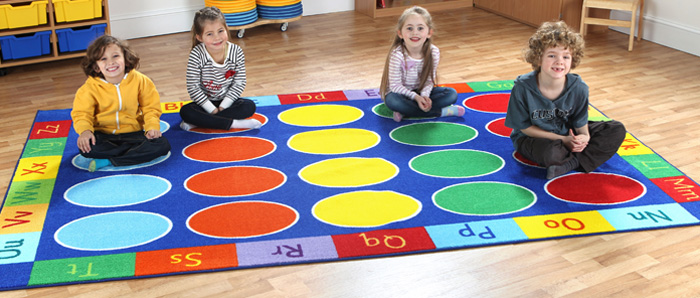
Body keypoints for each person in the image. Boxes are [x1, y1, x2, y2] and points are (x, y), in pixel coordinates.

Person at [504, 21, 626, 179]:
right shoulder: (522, 87)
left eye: (566, 56)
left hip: (567, 133)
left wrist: (584, 138)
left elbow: (580, 123)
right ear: (539, 58)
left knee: (616, 129)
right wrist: (563, 140)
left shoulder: (579, 88)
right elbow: (525, 128)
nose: (559, 61)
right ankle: (578, 159)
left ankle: (570, 163)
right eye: (552, 55)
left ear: (572, 60)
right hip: (533, 138)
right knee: (551, 153)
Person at [71, 35, 171, 172]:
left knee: (162, 145)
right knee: (87, 148)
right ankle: (130, 154)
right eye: (103, 59)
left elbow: (151, 107)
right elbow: (82, 114)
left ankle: (110, 160)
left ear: (125, 58)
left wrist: (152, 126)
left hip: (133, 133)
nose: (111, 62)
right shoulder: (88, 88)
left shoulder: (141, 81)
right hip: (103, 135)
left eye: (115, 56)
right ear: (96, 66)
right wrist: (85, 131)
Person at [179, 6, 261, 131]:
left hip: (228, 102)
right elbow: (193, 87)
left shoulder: (236, 51)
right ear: (200, 37)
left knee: (249, 106)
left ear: (226, 29)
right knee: (186, 112)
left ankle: (201, 122)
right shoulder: (197, 54)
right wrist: (211, 109)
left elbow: (239, 83)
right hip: (205, 103)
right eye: (210, 34)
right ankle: (234, 124)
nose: (217, 38)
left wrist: (222, 107)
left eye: (220, 31)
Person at [379, 6, 462, 122]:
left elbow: (429, 81)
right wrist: (416, 98)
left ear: (429, 33)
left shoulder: (433, 52)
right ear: (400, 33)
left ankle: (407, 112)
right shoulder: (397, 55)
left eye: (420, 28)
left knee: (451, 94)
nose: (414, 33)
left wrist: (425, 96)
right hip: (400, 94)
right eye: (409, 28)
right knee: (394, 101)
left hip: (421, 91)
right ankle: (441, 112)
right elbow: (395, 86)